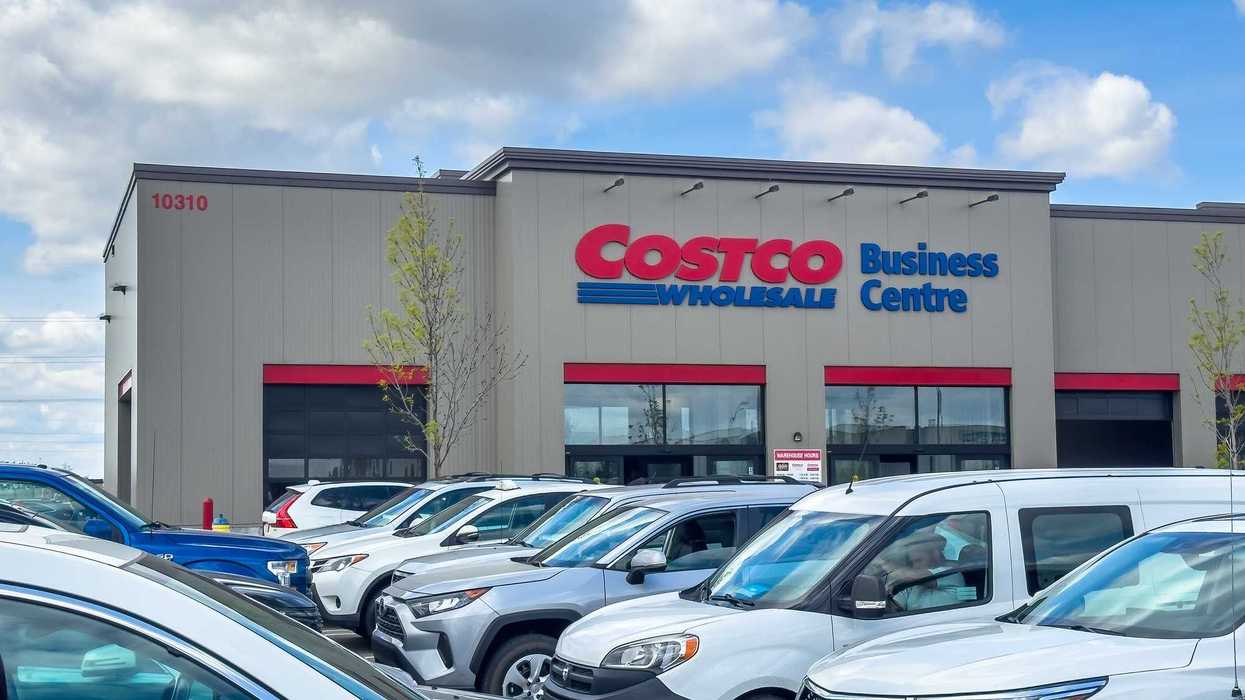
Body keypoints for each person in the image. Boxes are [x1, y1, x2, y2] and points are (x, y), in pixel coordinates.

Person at [889, 531, 966, 611]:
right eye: (912, 562)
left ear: (935, 555)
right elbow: (892, 609)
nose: (914, 566)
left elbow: (917, 576)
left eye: (918, 560)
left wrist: (883, 565)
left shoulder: (951, 573)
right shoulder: (911, 583)